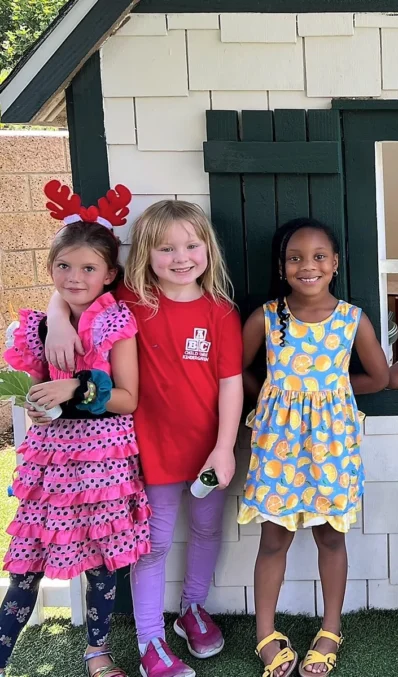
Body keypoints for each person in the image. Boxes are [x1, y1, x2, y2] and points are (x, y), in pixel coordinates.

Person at [45, 200, 244, 677]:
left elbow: (230, 383)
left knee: (206, 529)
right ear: (145, 255)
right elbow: (73, 292)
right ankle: (150, 640)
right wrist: (55, 317)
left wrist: (224, 446)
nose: (180, 257)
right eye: (165, 248)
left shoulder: (220, 311)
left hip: (207, 449)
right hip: (145, 451)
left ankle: (192, 609)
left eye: (191, 245)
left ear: (207, 250)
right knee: (150, 547)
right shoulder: (130, 301)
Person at [1, 182, 149, 677]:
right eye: (63, 266)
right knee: (26, 568)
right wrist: (39, 401)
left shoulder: (117, 324)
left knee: (104, 565)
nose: (74, 276)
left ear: (109, 275)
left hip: (104, 462)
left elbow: (128, 396)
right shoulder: (38, 326)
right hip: (50, 466)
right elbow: (31, 389)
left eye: (88, 268)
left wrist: (73, 390)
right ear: (50, 270)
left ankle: (97, 652)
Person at [239, 218, 389, 677]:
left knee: (331, 535)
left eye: (319, 256)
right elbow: (236, 370)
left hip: (332, 446)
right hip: (277, 447)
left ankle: (329, 629)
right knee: (273, 539)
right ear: (282, 266)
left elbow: (380, 377)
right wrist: (268, 397)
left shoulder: (351, 319)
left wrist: (335, 393)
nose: (308, 266)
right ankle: (266, 632)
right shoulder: (265, 317)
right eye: (295, 258)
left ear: (336, 263)